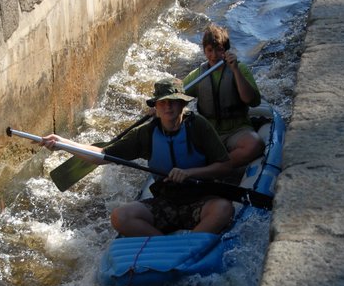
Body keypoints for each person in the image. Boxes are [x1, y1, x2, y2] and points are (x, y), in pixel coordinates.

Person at [41, 78, 234, 237]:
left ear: (183, 104)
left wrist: (190, 173)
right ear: (156, 107)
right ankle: (165, 246)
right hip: (166, 202)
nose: (168, 107)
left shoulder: (199, 126)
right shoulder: (146, 134)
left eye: (173, 101)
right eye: (163, 102)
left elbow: (226, 167)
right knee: (120, 217)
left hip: (200, 199)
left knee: (224, 209)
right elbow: (100, 155)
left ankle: (191, 245)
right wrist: (62, 143)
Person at [182, 23, 264, 170]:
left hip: (237, 130)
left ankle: (216, 169)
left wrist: (235, 71)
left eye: (219, 50)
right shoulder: (198, 75)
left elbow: (251, 101)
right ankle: (213, 167)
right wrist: (160, 105)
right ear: (204, 51)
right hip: (209, 132)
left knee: (255, 145)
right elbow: (178, 95)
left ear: (226, 50)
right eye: (209, 50)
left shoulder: (240, 69)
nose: (214, 55)